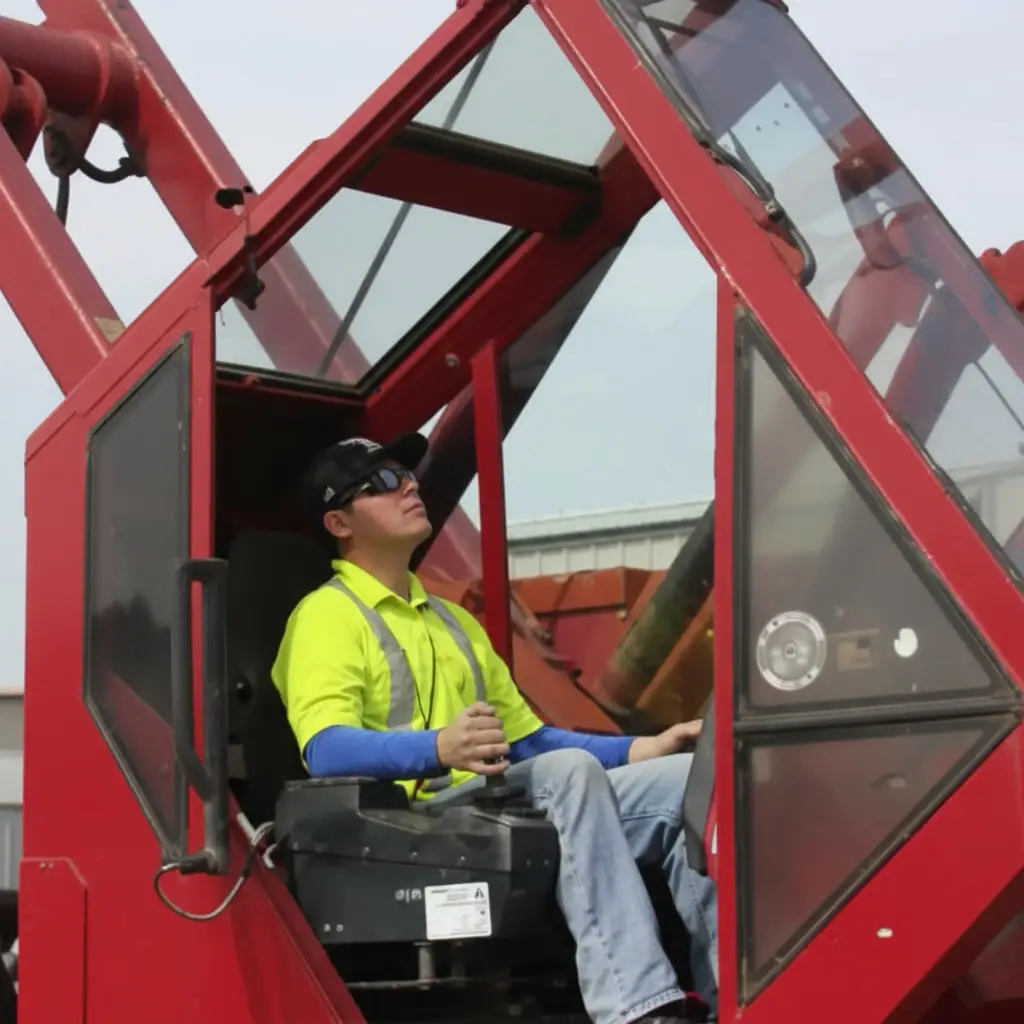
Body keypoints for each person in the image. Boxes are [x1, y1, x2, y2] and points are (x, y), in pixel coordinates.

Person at [271, 433, 719, 1024]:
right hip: (404, 822)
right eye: (380, 482)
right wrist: (439, 747)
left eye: (406, 473)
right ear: (338, 522)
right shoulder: (324, 617)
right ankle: (637, 1007)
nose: (408, 485)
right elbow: (326, 750)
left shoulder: (453, 622)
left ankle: (730, 999)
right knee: (565, 777)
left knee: (691, 780)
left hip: (484, 805)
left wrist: (643, 747)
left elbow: (529, 741)